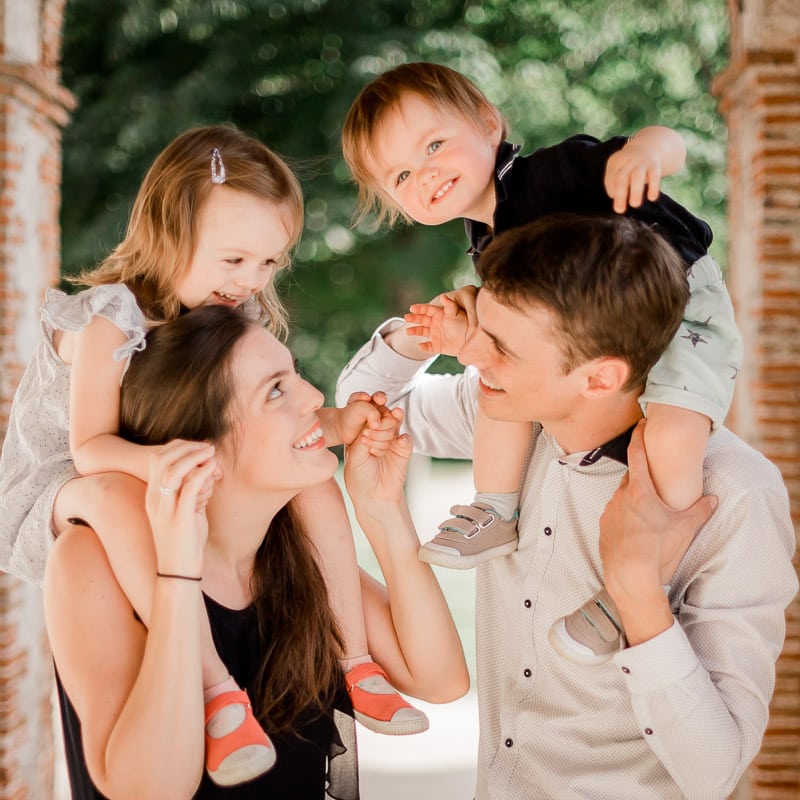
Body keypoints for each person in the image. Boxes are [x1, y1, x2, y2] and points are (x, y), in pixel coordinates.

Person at [0, 124, 426, 788]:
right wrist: (185, 459)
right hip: (67, 479)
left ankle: (355, 659)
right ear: (172, 234)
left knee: (313, 476)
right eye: (234, 260)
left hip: (154, 471)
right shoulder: (112, 317)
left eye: (268, 262)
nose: (251, 280)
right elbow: (90, 448)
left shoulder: (228, 307)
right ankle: (214, 688)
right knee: (114, 498)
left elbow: (265, 418)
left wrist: (341, 423)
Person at [337, 214, 798, 799]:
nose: (476, 357)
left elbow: (714, 771)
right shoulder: (506, 410)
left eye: (501, 345)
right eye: (484, 331)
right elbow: (368, 402)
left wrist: (637, 596)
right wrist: (425, 332)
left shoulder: (735, 493)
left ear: (601, 377)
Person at [341, 61, 743, 663]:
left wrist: (648, 154)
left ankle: (638, 586)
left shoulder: (556, 172)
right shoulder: (485, 241)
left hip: (679, 307)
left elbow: (663, 142)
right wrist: (455, 330)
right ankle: (498, 505)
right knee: (493, 376)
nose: (424, 174)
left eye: (434, 145)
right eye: (400, 175)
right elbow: (507, 347)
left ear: (487, 122)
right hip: (592, 336)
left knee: (675, 434)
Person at [44, 304, 467, 799]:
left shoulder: (294, 547)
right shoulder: (90, 562)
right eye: (276, 391)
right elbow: (149, 790)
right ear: (198, 445)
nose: (313, 398)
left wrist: (382, 511)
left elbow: (440, 680)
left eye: (295, 376)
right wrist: (179, 575)